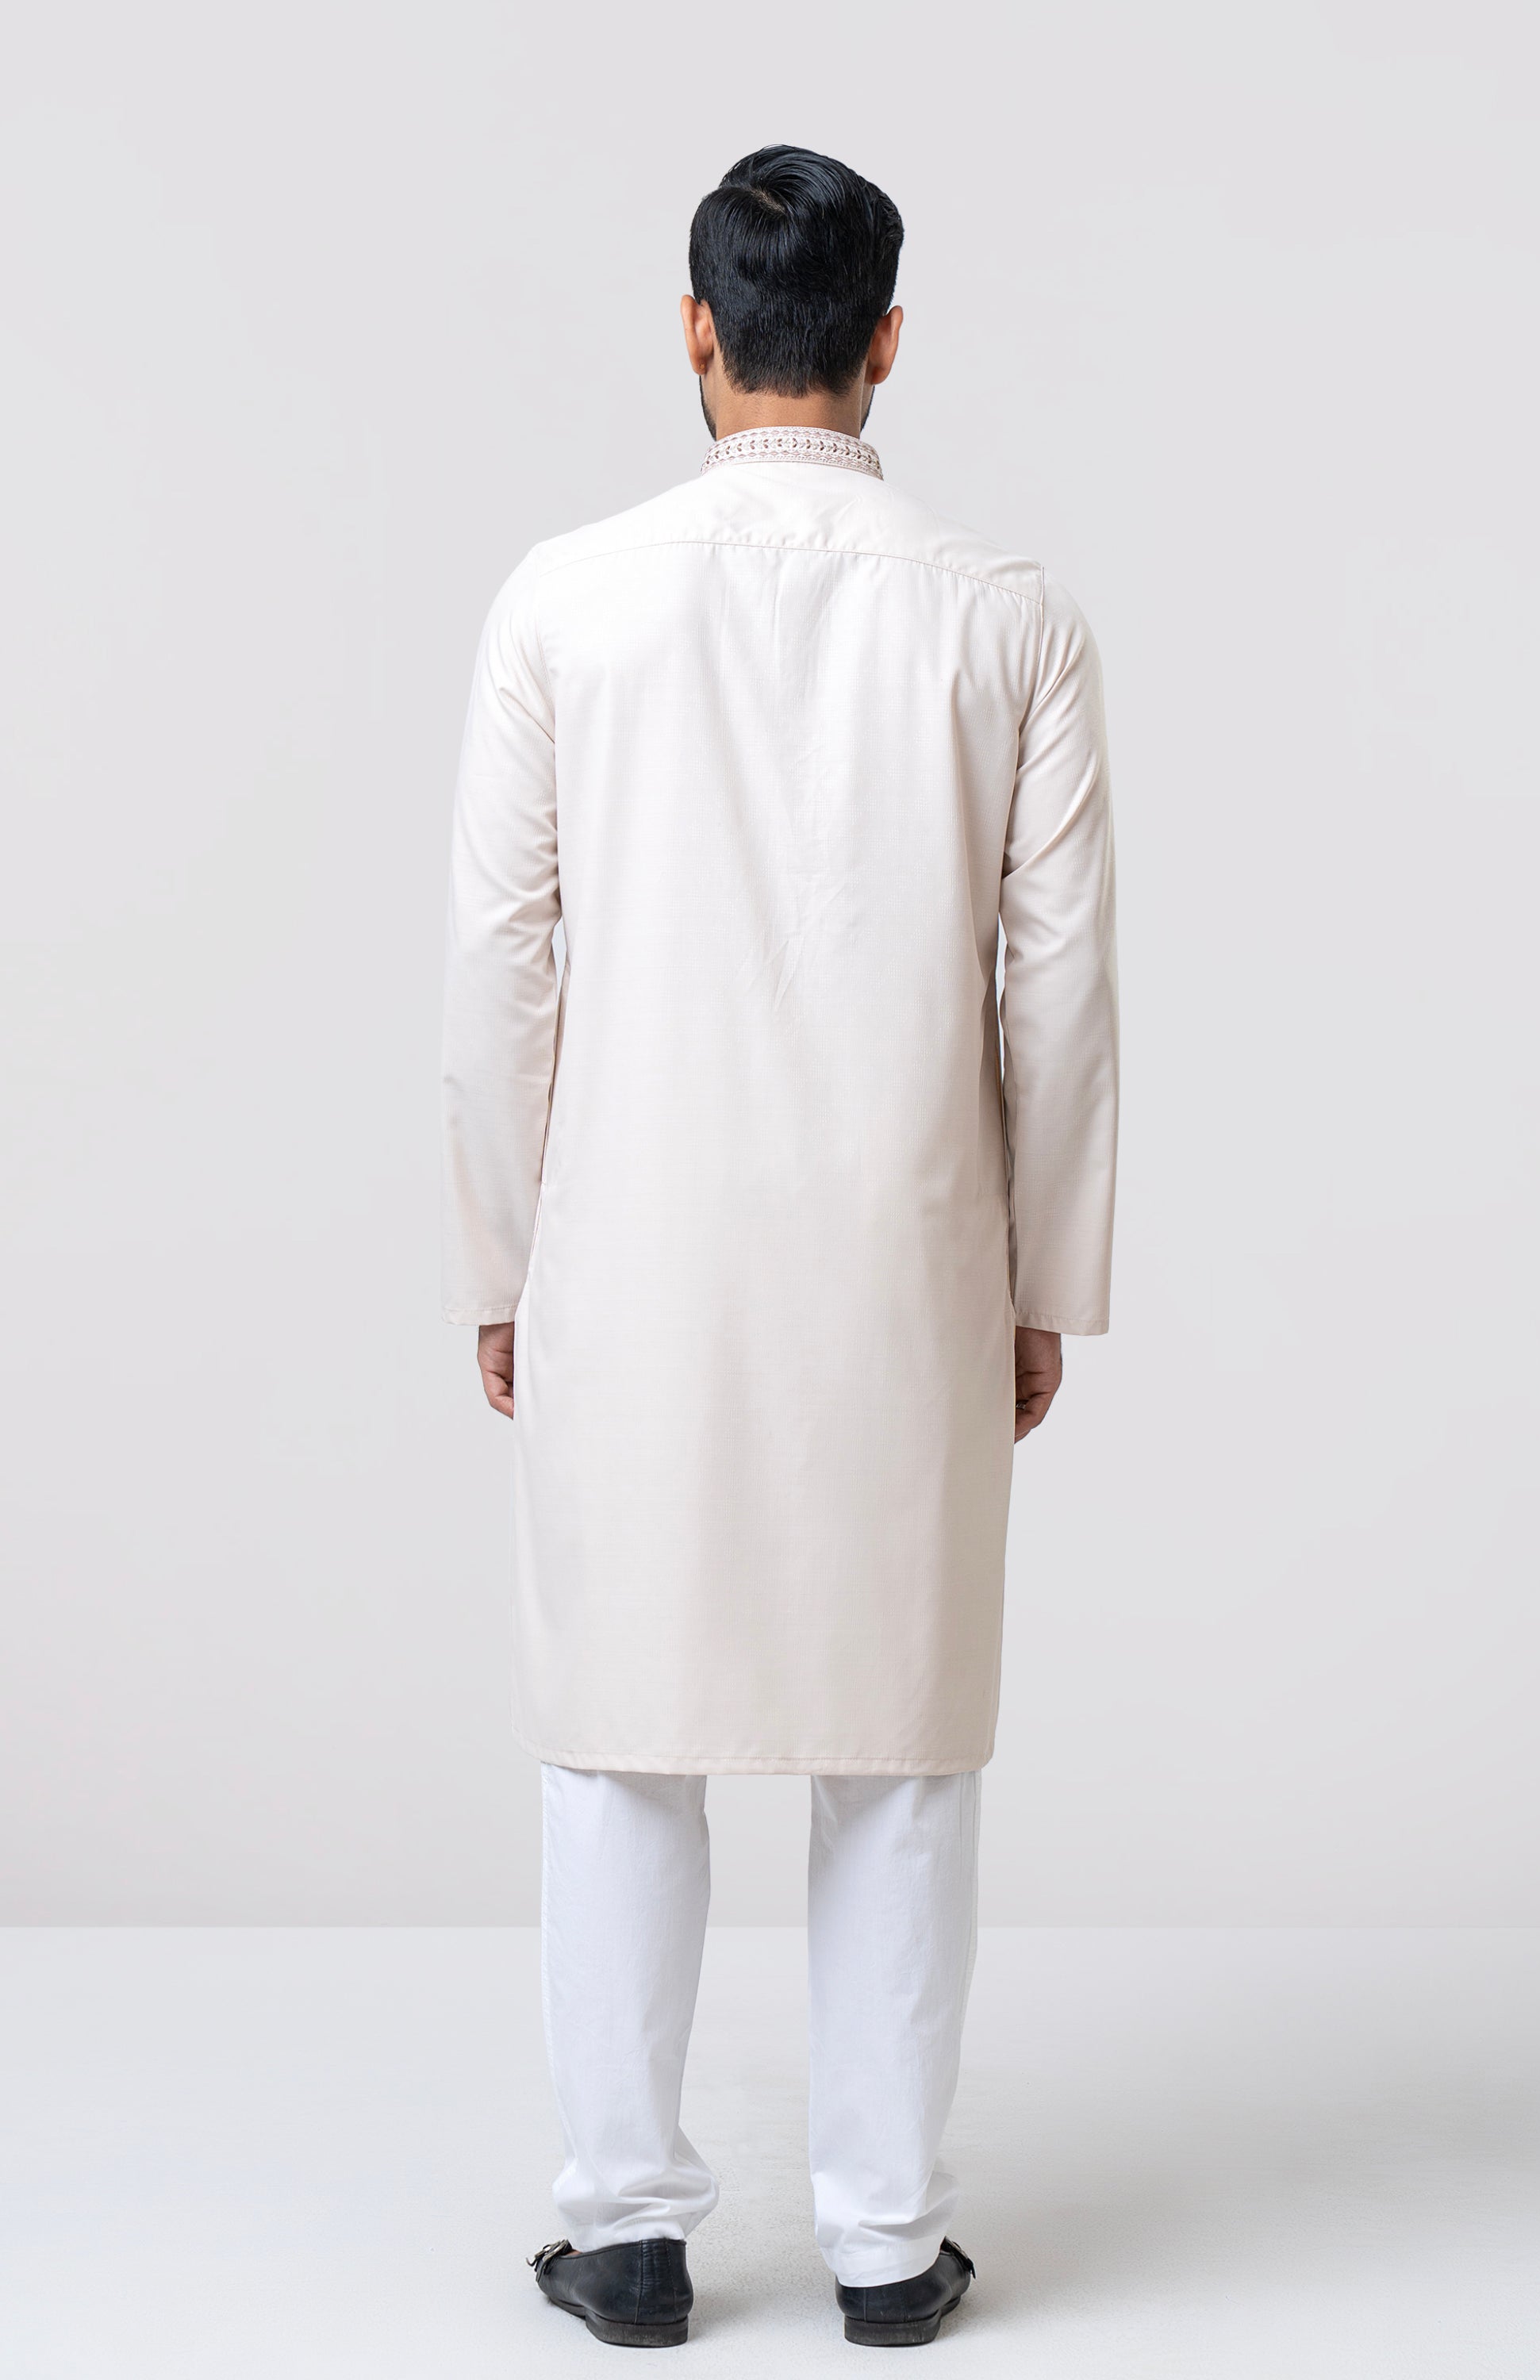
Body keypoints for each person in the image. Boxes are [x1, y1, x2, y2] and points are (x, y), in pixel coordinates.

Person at [441, 144, 1118, 2351]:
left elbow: (501, 969)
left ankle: (628, 2236)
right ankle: (886, 2246)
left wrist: (500, 1259)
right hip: (910, 1253)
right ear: (890, 339)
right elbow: (1059, 990)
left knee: (619, 1731)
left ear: (697, 331)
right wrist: (1044, 1280)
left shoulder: (564, 601)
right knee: (901, 1738)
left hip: (627, 1250)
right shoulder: (1008, 612)